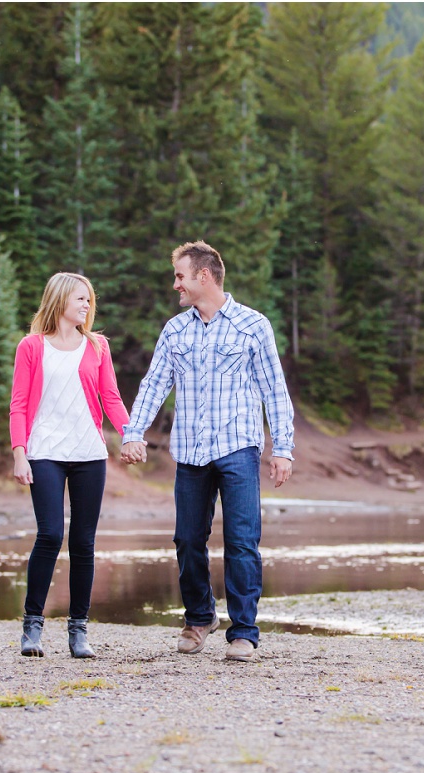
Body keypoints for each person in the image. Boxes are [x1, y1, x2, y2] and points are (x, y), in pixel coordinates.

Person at [120, 240, 294, 662]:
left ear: (204, 275)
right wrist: (132, 432)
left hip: (238, 447)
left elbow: (275, 390)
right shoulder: (175, 330)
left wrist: (283, 447)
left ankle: (244, 632)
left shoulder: (253, 325)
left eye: (180, 275)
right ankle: (199, 618)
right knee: (187, 539)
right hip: (191, 452)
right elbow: (154, 384)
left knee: (241, 541)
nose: (175, 284)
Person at [9, 272, 129, 659]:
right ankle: (32, 627)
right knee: (49, 534)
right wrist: (19, 451)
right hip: (43, 451)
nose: (87, 306)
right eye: (81, 299)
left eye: (89, 300)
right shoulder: (31, 346)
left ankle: (79, 631)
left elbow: (110, 396)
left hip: (89, 453)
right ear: (60, 299)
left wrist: (131, 433)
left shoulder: (97, 346)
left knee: (83, 542)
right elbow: (19, 404)